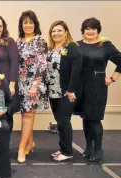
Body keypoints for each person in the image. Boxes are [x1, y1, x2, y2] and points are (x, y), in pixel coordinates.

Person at [76, 17, 120, 162]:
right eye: (87, 28)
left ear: (98, 30)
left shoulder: (105, 45)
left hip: (97, 86)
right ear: (83, 31)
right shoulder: (77, 45)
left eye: (93, 28)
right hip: (81, 86)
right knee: (85, 117)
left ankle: (98, 149)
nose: (90, 31)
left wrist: (112, 78)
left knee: (94, 119)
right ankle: (89, 147)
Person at [16, 10, 49, 163]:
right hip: (20, 83)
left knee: (28, 114)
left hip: (33, 84)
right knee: (25, 115)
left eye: (30, 22)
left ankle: (21, 148)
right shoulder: (18, 41)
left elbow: (43, 65)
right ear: (21, 25)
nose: (28, 25)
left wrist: (35, 85)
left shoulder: (40, 41)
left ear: (35, 24)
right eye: (25, 22)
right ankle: (30, 142)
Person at [46, 20, 83, 161]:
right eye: (53, 31)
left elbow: (76, 69)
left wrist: (71, 89)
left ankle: (67, 152)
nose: (56, 33)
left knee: (64, 120)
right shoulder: (51, 48)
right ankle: (62, 148)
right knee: (59, 120)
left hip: (66, 91)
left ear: (66, 32)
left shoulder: (72, 47)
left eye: (59, 30)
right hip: (52, 90)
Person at [0, 15, 19, 132]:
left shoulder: (9, 42)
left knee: (6, 115)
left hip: (6, 84)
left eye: (0, 26)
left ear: (3, 28)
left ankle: (4, 146)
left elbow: (15, 62)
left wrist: (12, 84)